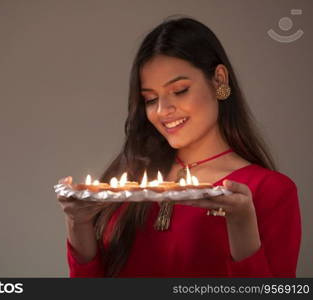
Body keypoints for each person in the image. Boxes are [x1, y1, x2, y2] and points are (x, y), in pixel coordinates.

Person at [57, 17, 301, 277]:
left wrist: (241, 221)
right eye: (150, 99)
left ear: (219, 80)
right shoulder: (129, 181)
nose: (162, 111)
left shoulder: (269, 190)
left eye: (180, 90)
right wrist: (78, 222)